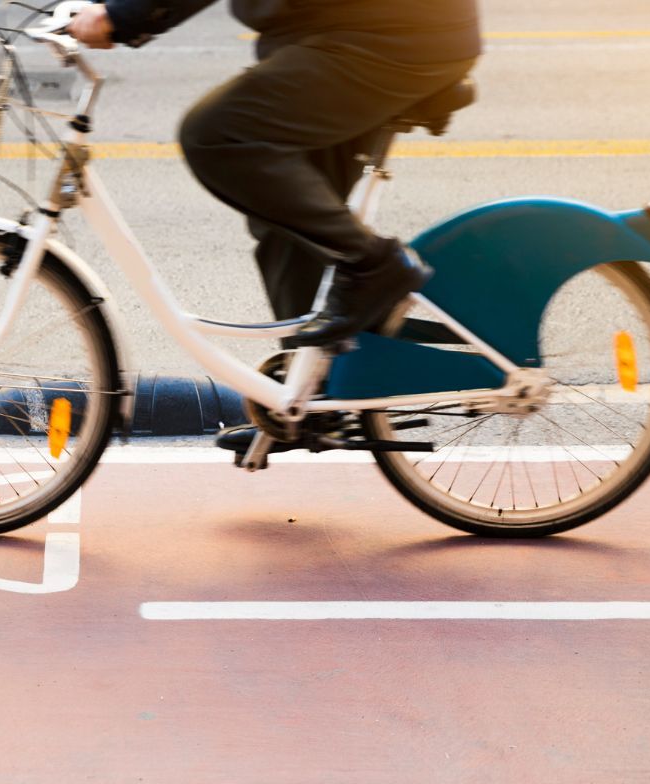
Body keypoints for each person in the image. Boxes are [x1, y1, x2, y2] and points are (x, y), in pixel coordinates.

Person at [67, 0, 481, 448]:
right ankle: (305, 397)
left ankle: (375, 264)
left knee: (216, 134)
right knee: (285, 213)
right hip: (344, 33)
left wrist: (120, 16)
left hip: (390, 35)